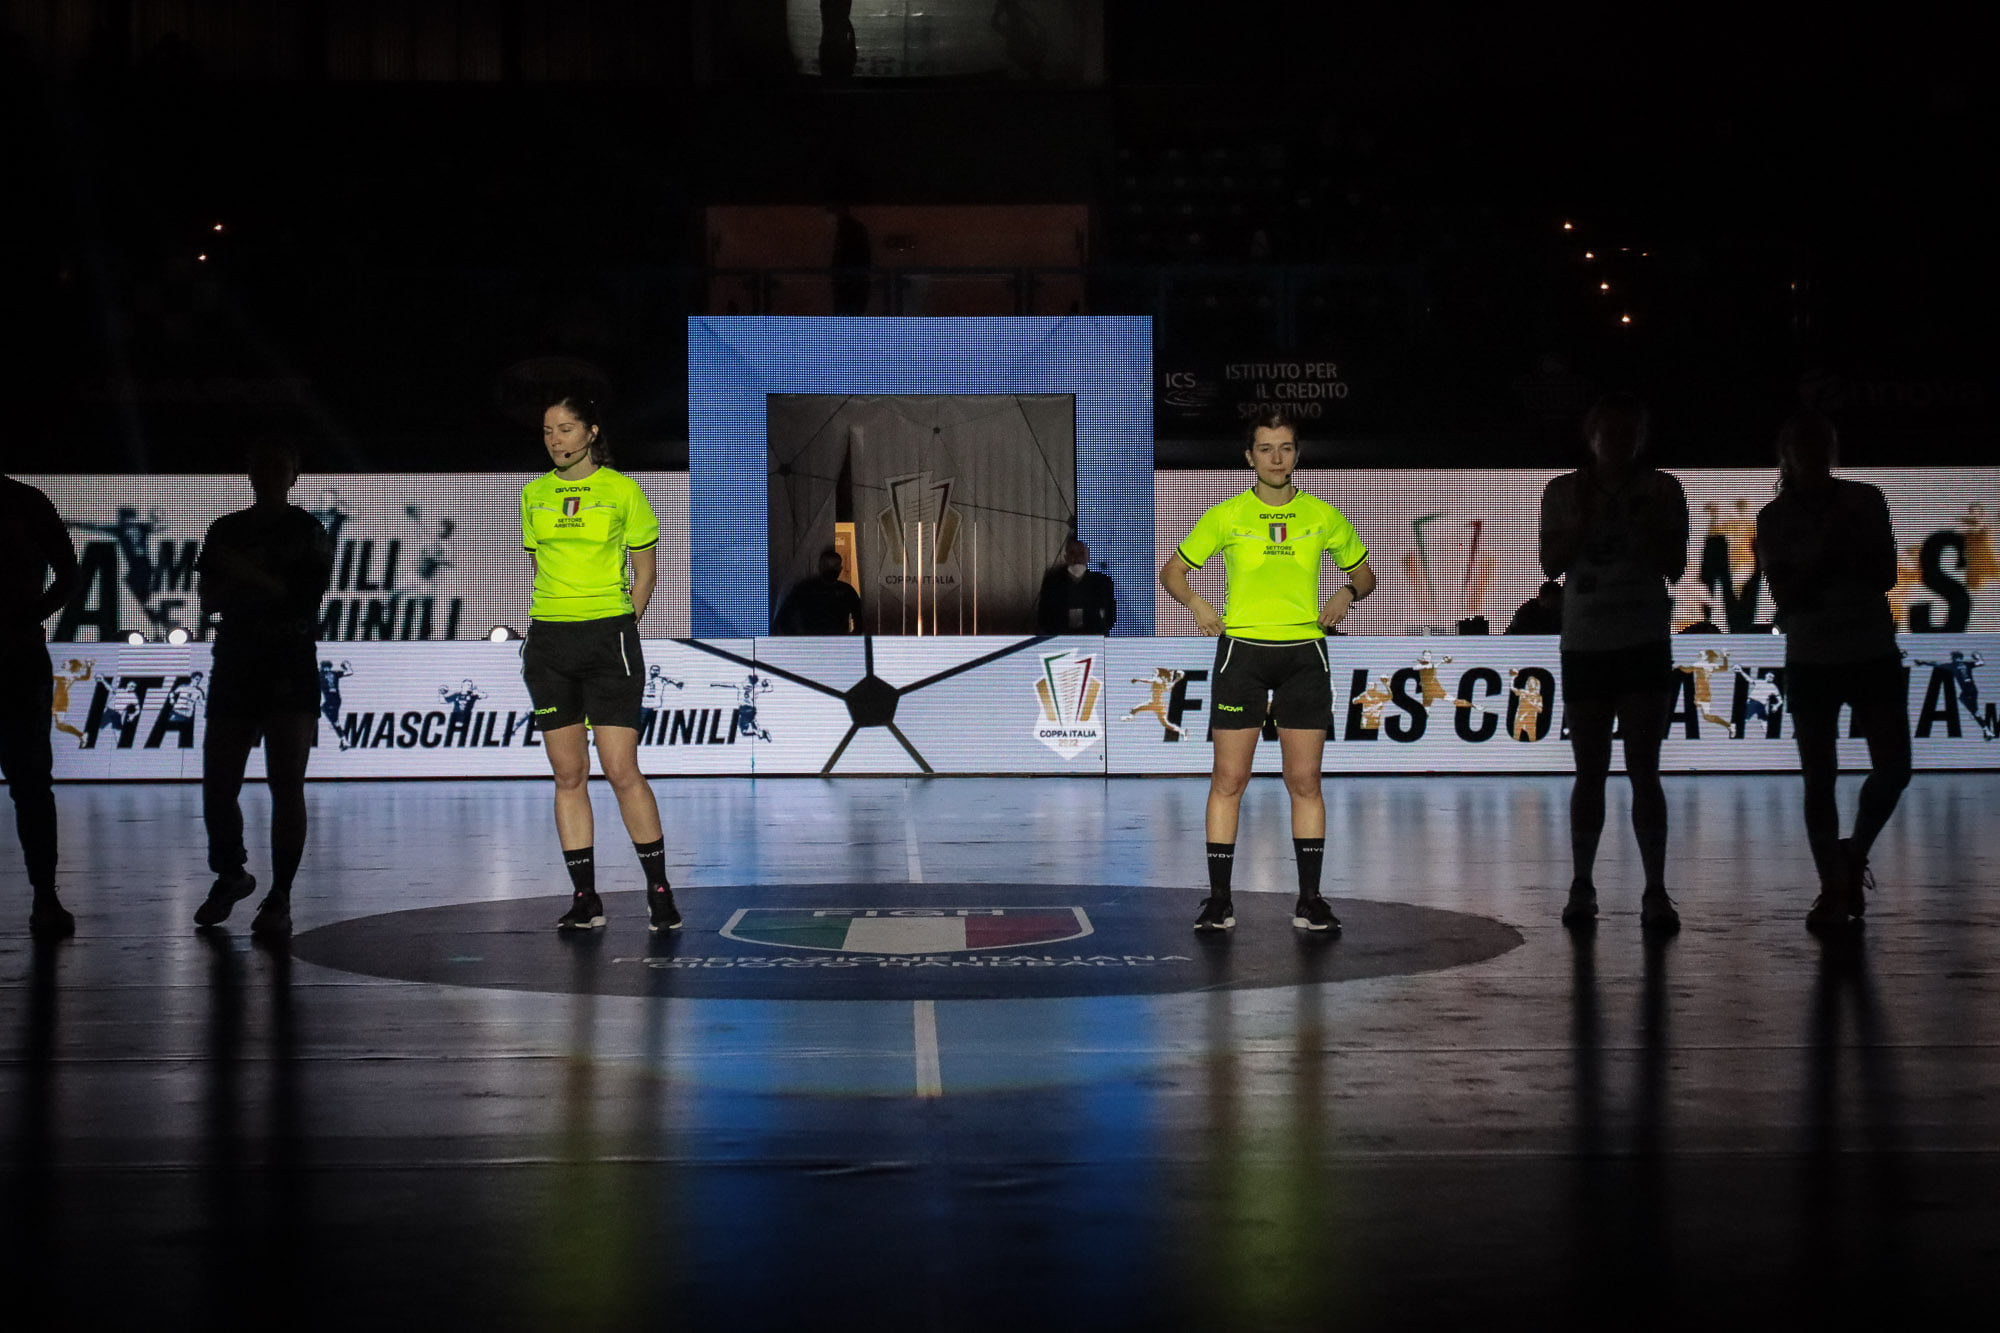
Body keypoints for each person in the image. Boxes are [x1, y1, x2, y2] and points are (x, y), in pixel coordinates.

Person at [1159, 409, 1376, 934]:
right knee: (1229, 778)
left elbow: (1365, 575)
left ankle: (1310, 901)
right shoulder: (1226, 516)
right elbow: (1173, 571)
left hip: (1305, 653)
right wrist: (1197, 605)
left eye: (1285, 448)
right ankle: (1218, 902)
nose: (1276, 458)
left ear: (1297, 454)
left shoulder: (1323, 516)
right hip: (1243, 655)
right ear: (1249, 456)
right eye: (1265, 449)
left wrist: (1347, 593)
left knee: (1304, 781)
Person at [521, 396, 681, 932]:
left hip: (608, 641)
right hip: (548, 644)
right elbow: (545, 565)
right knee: (568, 776)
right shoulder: (534, 494)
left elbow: (647, 572)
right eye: (548, 431)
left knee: (621, 770)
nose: (555, 440)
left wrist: (620, 626)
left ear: (591, 432)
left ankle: (659, 892)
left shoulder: (622, 490)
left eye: (565, 430)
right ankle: (585, 898)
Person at [1540, 393, 1689, 933]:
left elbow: (1674, 563)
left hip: (1643, 640)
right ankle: (1582, 884)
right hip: (1586, 643)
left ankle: (1655, 889)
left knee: (1645, 769)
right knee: (1590, 771)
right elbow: (1552, 561)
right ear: (1592, 437)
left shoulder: (1661, 488)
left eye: (1627, 434)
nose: (1617, 443)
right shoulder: (1563, 491)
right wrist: (1587, 518)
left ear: (1639, 438)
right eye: (1608, 433)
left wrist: (1639, 522)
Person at [1758, 410, 1910, 931]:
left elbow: (1886, 573)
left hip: (1865, 646)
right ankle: (1833, 881)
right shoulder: (1776, 518)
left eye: (1819, 444)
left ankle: (1850, 857)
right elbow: (1788, 595)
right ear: (1789, 454)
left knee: (1894, 767)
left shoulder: (1865, 500)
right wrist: (1833, 554)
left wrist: (1819, 565)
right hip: (1817, 654)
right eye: (1804, 445)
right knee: (1820, 776)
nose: (1813, 454)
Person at [192, 442, 334, 940]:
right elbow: (209, 600)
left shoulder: (306, 529)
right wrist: (255, 583)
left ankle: (280, 897)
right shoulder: (226, 527)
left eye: (281, 463)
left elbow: (301, 599)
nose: (271, 471)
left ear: (295, 473)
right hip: (236, 660)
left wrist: (246, 574)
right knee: (218, 783)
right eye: (263, 462)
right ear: (249, 470)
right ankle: (231, 872)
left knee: (285, 783)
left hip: (288, 662)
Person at [1, 473, 80, 936]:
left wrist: (26, 619)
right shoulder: (24, 501)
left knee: (31, 782)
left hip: (18, 658)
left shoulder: (26, 501)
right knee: (31, 784)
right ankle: (45, 899)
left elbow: (69, 575)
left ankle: (46, 896)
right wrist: (27, 618)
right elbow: (68, 574)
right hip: (19, 654)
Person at [1036, 539, 1118, 634]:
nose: (1077, 558)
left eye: (1081, 553)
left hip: (1093, 638)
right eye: (1072, 553)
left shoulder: (1102, 582)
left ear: (1088, 557)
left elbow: (1111, 614)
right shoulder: (1052, 581)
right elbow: (1043, 615)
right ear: (1066, 557)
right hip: (1060, 639)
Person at [775, 548, 863, 634]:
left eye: (834, 566)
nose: (831, 570)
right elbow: (786, 616)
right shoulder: (804, 589)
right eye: (827, 565)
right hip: (812, 642)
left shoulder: (847, 591)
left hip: (835, 642)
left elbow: (859, 618)